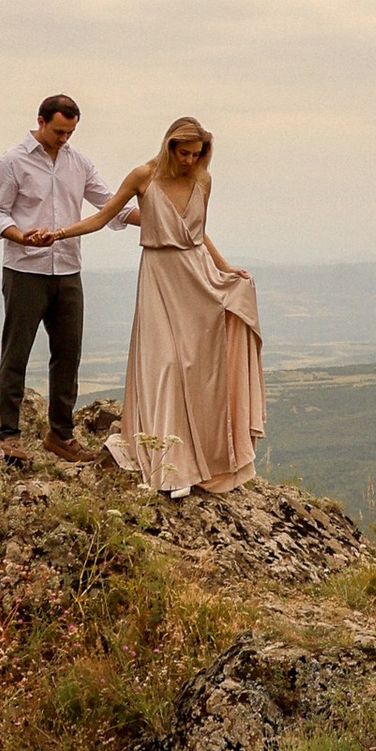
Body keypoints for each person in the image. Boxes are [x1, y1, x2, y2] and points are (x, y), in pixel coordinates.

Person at [47, 115, 263, 496]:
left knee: (198, 368)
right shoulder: (143, 176)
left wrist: (225, 267)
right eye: (184, 153)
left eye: (197, 154)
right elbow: (103, 216)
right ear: (169, 147)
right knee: (162, 363)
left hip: (195, 276)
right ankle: (168, 465)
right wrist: (60, 233)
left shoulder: (203, 179)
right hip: (159, 276)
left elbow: (196, 233)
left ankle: (204, 459)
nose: (189, 161)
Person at [0, 93, 120, 462]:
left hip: (69, 270)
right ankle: (9, 436)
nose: (64, 139)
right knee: (17, 353)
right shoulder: (12, 161)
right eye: (59, 131)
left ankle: (60, 435)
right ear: (41, 121)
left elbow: (110, 205)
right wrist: (21, 235)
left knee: (68, 354)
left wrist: (155, 213)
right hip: (25, 269)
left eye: (70, 132)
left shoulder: (79, 163)